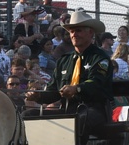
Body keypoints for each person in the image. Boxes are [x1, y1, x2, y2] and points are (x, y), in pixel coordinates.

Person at [25, 9, 114, 137]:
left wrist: (76, 88)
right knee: (28, 115)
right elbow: (54, 91)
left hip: (94, 110)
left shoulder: (100, 58)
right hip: (67, 110)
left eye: (78, 30)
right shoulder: (64, 60)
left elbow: (96, 83)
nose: (74, 34)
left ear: (90, 33)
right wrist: (37, 96)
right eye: (71, 31)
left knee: (79, 120)